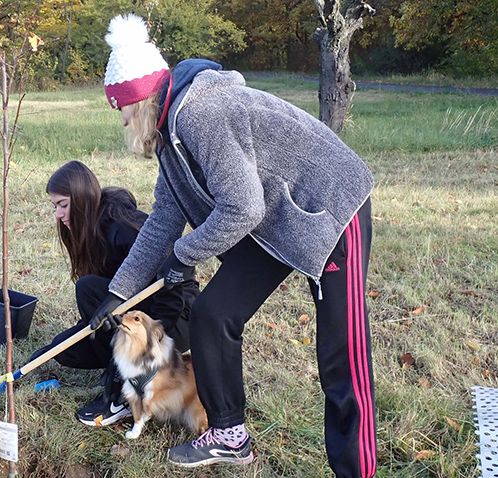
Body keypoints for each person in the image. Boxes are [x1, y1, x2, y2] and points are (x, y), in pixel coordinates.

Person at [91, 13, 377, 478]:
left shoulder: (199, 115)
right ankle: (228, 435)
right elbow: (164, 219)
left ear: (139, 100)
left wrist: (184, 256)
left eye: (119, 108)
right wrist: (118, 294)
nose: (120, 118)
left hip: (330, 208)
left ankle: (357, 471)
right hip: (276, 219)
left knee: (340, 356)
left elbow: (242, 208)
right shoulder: (171, 138)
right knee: (214, 312)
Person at [31, 160, 199, 427]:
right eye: (55, 207)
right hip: (137, 314)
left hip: (175, 318)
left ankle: (123, 393)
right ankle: (119, 368)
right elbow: (104, 305)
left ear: (82, 200)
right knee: (64, 350)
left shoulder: (122, 229)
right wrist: (53, 348)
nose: (58, 215)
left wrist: (151, 342)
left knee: (87, 287)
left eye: (63, 205)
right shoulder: (92, 229)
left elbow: (172, 286)